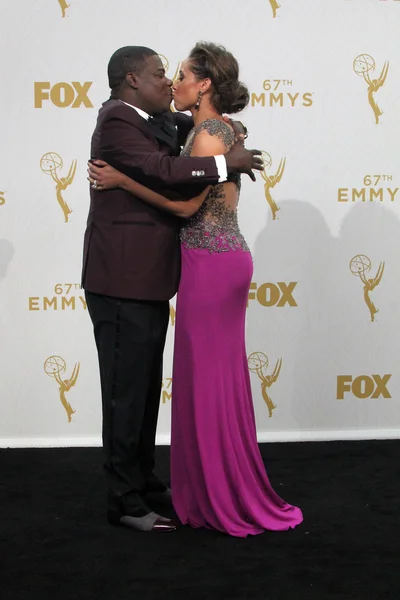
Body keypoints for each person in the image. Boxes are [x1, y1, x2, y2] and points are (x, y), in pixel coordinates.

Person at [88, 42, 303, 537]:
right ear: (131, 80)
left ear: (203, 84)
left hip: (203, 267)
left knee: (176, 385)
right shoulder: (120, 119)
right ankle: (128, 495)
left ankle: (175, 483)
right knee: (138, 390)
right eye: (161, 73)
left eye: (178, 73)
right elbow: (172, 166)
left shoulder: (193, 127)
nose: (170, 80)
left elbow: (185, 201)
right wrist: (230, 145)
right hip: (138, 277)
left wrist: (123, 179)